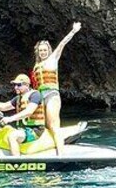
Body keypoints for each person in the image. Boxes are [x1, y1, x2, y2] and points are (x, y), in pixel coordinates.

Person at [32, 21, 81, 156]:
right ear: (38, 52)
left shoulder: (53, 59)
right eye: (40, 50)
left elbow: (62, 43)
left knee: (54, 125)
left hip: (52, 95)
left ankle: (61, 153)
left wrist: (73, 31)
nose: (43, 52)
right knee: (46, 126)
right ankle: (50, 148)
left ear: (49, 51)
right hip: (41, 97)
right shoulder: (37, 65)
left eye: (45, 50)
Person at [0, 74, 45, 156]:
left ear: (27, 85)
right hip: (23, 129)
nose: (16, 87)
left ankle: (17, 163)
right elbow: (4, 106)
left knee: (12, 136)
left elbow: (29, 111)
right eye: (15, 85)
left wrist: (10, 119)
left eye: (19, 85)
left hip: (35, 130)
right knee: (4, 130)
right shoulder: (18, 98)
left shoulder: (35, 95)